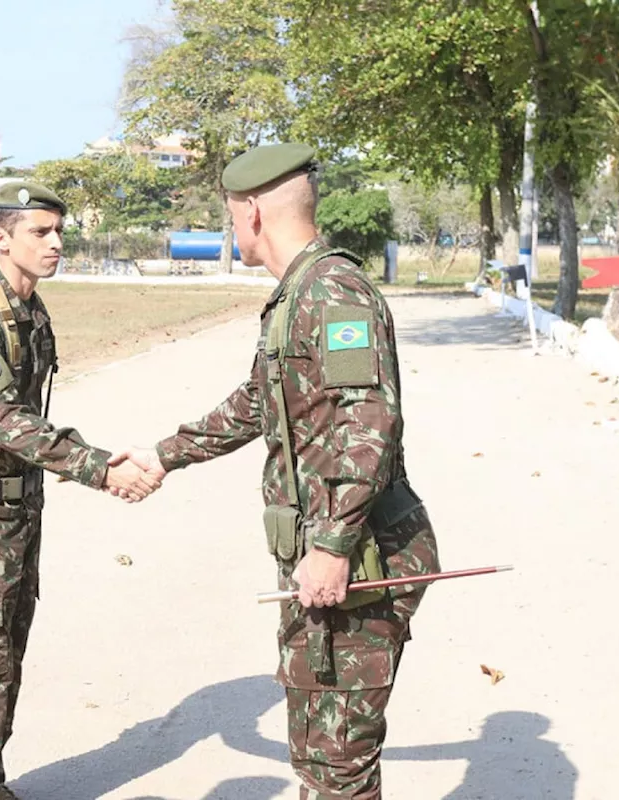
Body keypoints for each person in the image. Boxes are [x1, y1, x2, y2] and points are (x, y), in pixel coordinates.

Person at [114, 143, 440, 799]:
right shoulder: (299, 295)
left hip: (361, 559)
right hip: (335, 554)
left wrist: (331, 545)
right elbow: (260, 401)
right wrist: (164, 455)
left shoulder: (334, 291)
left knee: (338, 763)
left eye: (232, 216)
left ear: (253, 213)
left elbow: (368, 423)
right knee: (318, 753)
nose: (234, 230)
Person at [0, 180, 160, 799]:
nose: (56, 243)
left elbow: (34, 419)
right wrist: (100, 469)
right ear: (1, 239)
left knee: (11, 643)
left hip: (20, 503)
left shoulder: (30, 312)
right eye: (40, 232)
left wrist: (99, 458)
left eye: (60, 231)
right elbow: (7, 419)